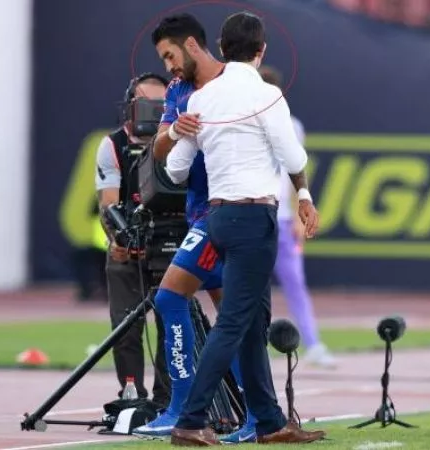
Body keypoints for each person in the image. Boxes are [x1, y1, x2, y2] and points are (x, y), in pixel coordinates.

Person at [164, 11, 326, 446]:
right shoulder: (267, 94)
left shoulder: (200, 99)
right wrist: (304, 194)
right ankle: (191, 420)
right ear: (261, 50)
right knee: (234, 322)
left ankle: (269, 422)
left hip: (217, 217)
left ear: (221, 47)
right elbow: (293, 157)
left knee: (252, 322)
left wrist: (178, 131)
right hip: (253, 218)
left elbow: (176, 170)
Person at [132, 13, 257, 442]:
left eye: (169, 55)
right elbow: (159, 147)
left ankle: (183, 409)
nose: (168, 65)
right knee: (234, 318)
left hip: (222, 215)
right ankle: (257, 416)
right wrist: (175, 131)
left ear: (190, 45)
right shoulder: (177, 90)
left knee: (170, 299)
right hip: (203, 212)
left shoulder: (235, 83)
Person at [94, 73, 171, 409]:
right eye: (145, 105)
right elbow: (108, 203)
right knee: (125, 328)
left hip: (169, 244)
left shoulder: (180, 141)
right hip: (128, 246)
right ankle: (132, 397)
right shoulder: (112, 145)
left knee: (173, 328)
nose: (152, 113)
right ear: (130, 106)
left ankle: (169, 400)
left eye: (159, 106)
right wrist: (119, 239)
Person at [259, 65, 338, 369]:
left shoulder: (292, 126)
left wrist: (296, 215)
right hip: (254, 215)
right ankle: (251, 346)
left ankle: (313, 344)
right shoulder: (242, 124)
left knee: (295, 283)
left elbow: (296, 173)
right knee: (248, 286)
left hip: (281, 218)